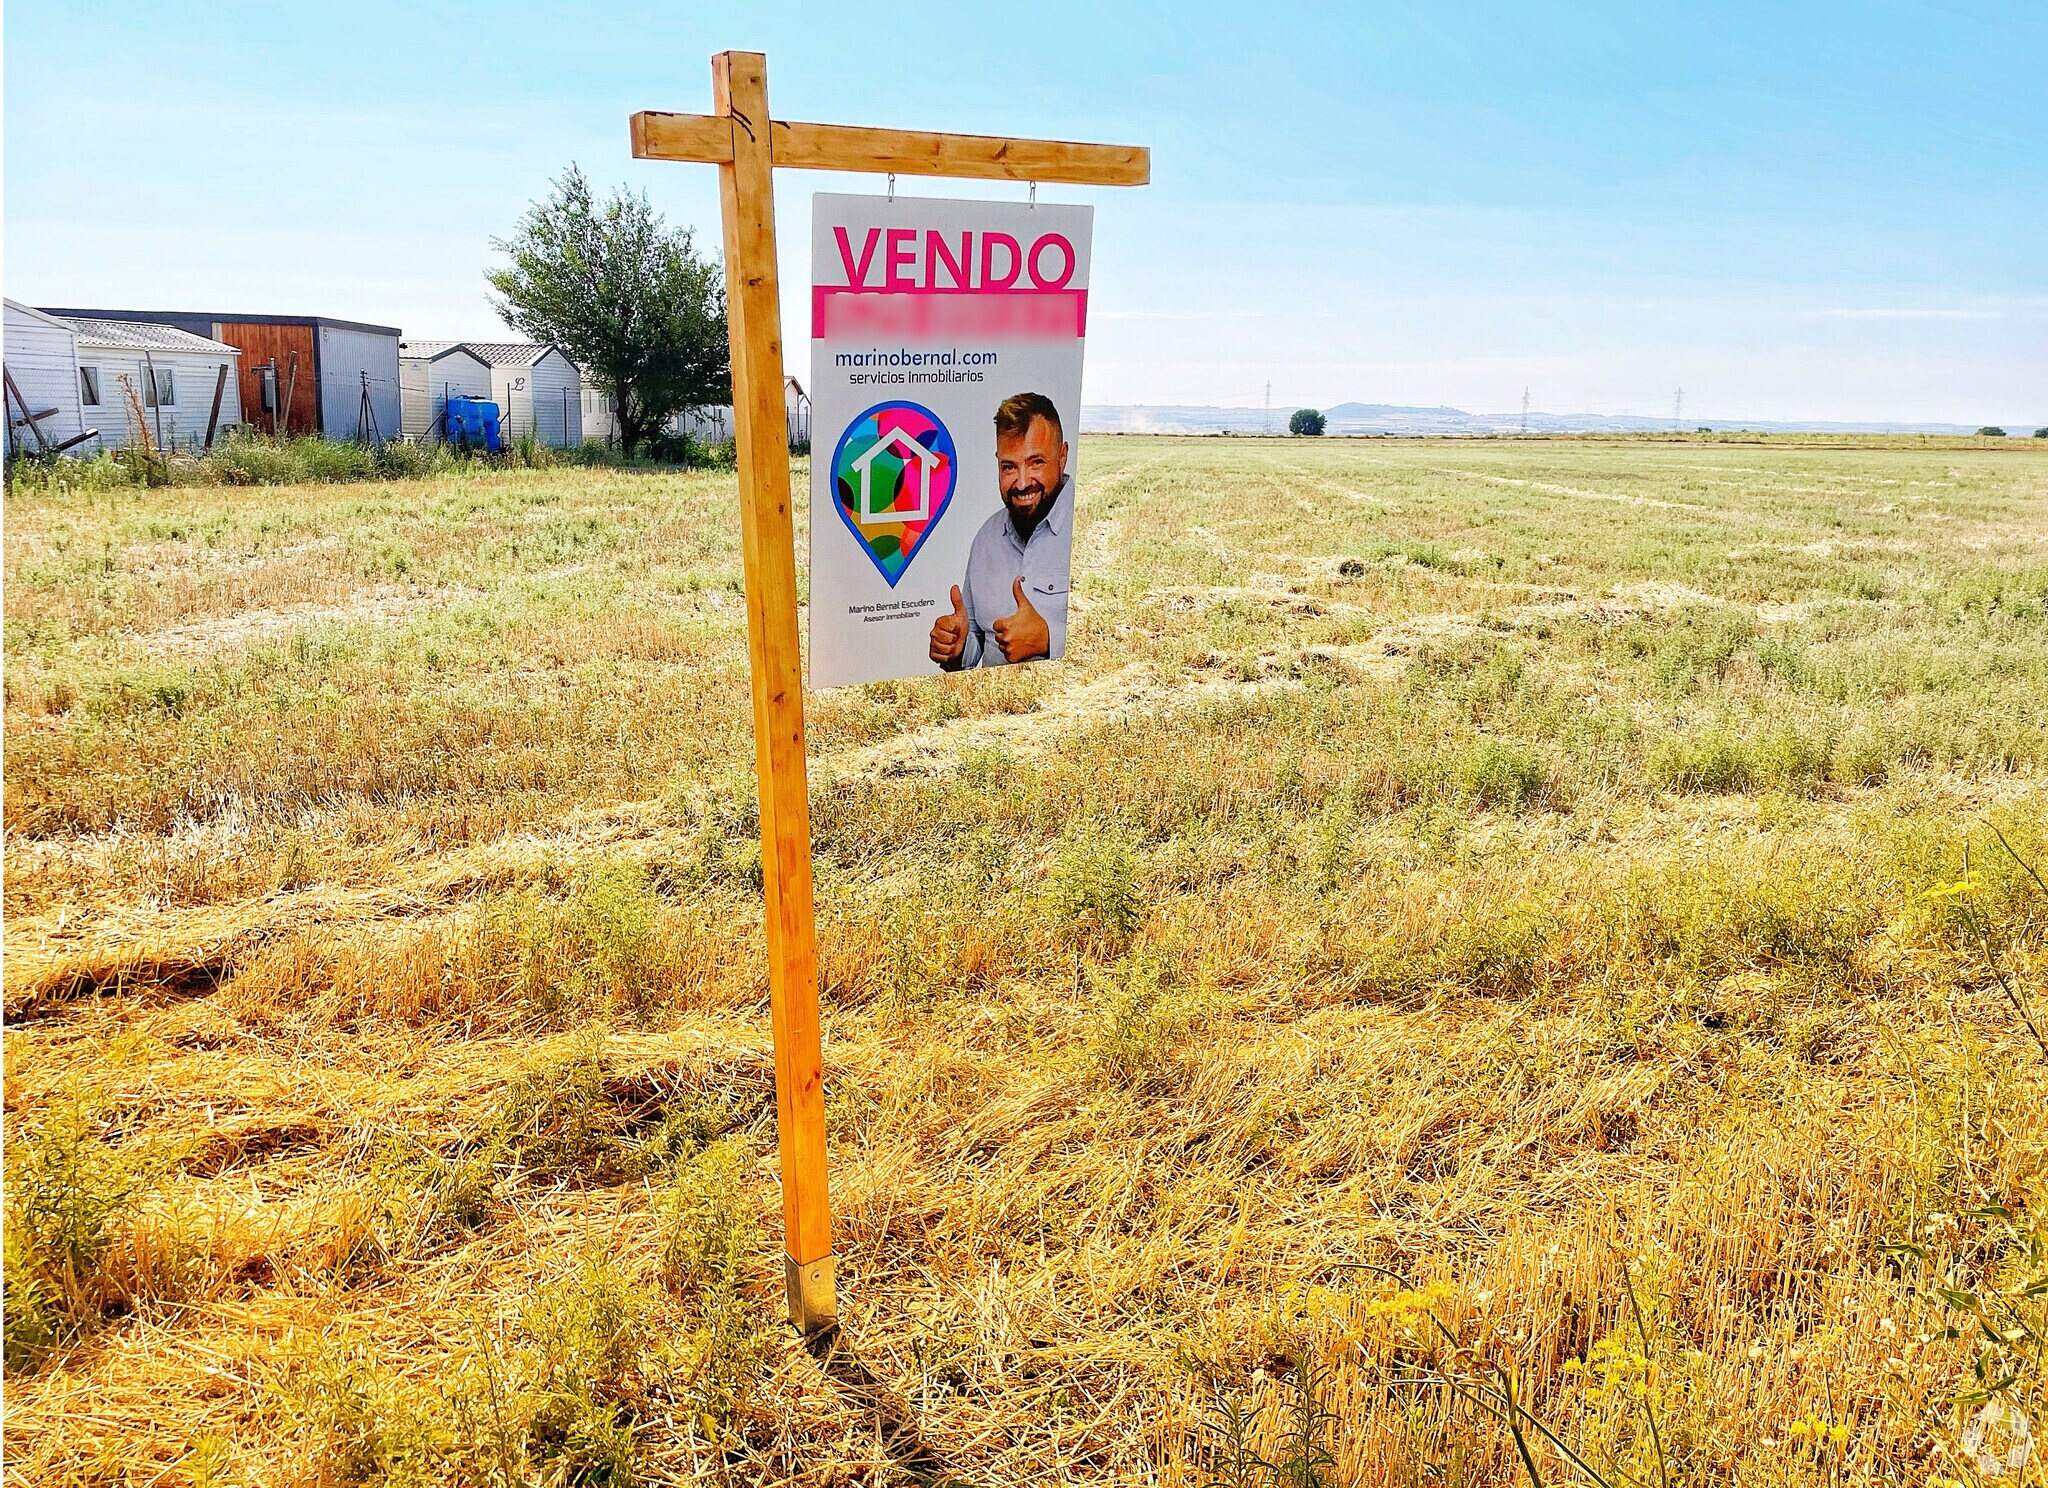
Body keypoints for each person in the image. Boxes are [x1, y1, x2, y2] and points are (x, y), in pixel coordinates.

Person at [929, 392, 1072, 670]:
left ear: (1062, 455)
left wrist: (1048, 639)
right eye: (1009, 467)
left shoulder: (1087, 526)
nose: (1021, 483)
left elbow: (1115, 641)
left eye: (1036, 463)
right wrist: (956, 647)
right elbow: (974, 644)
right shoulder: (986, 538)